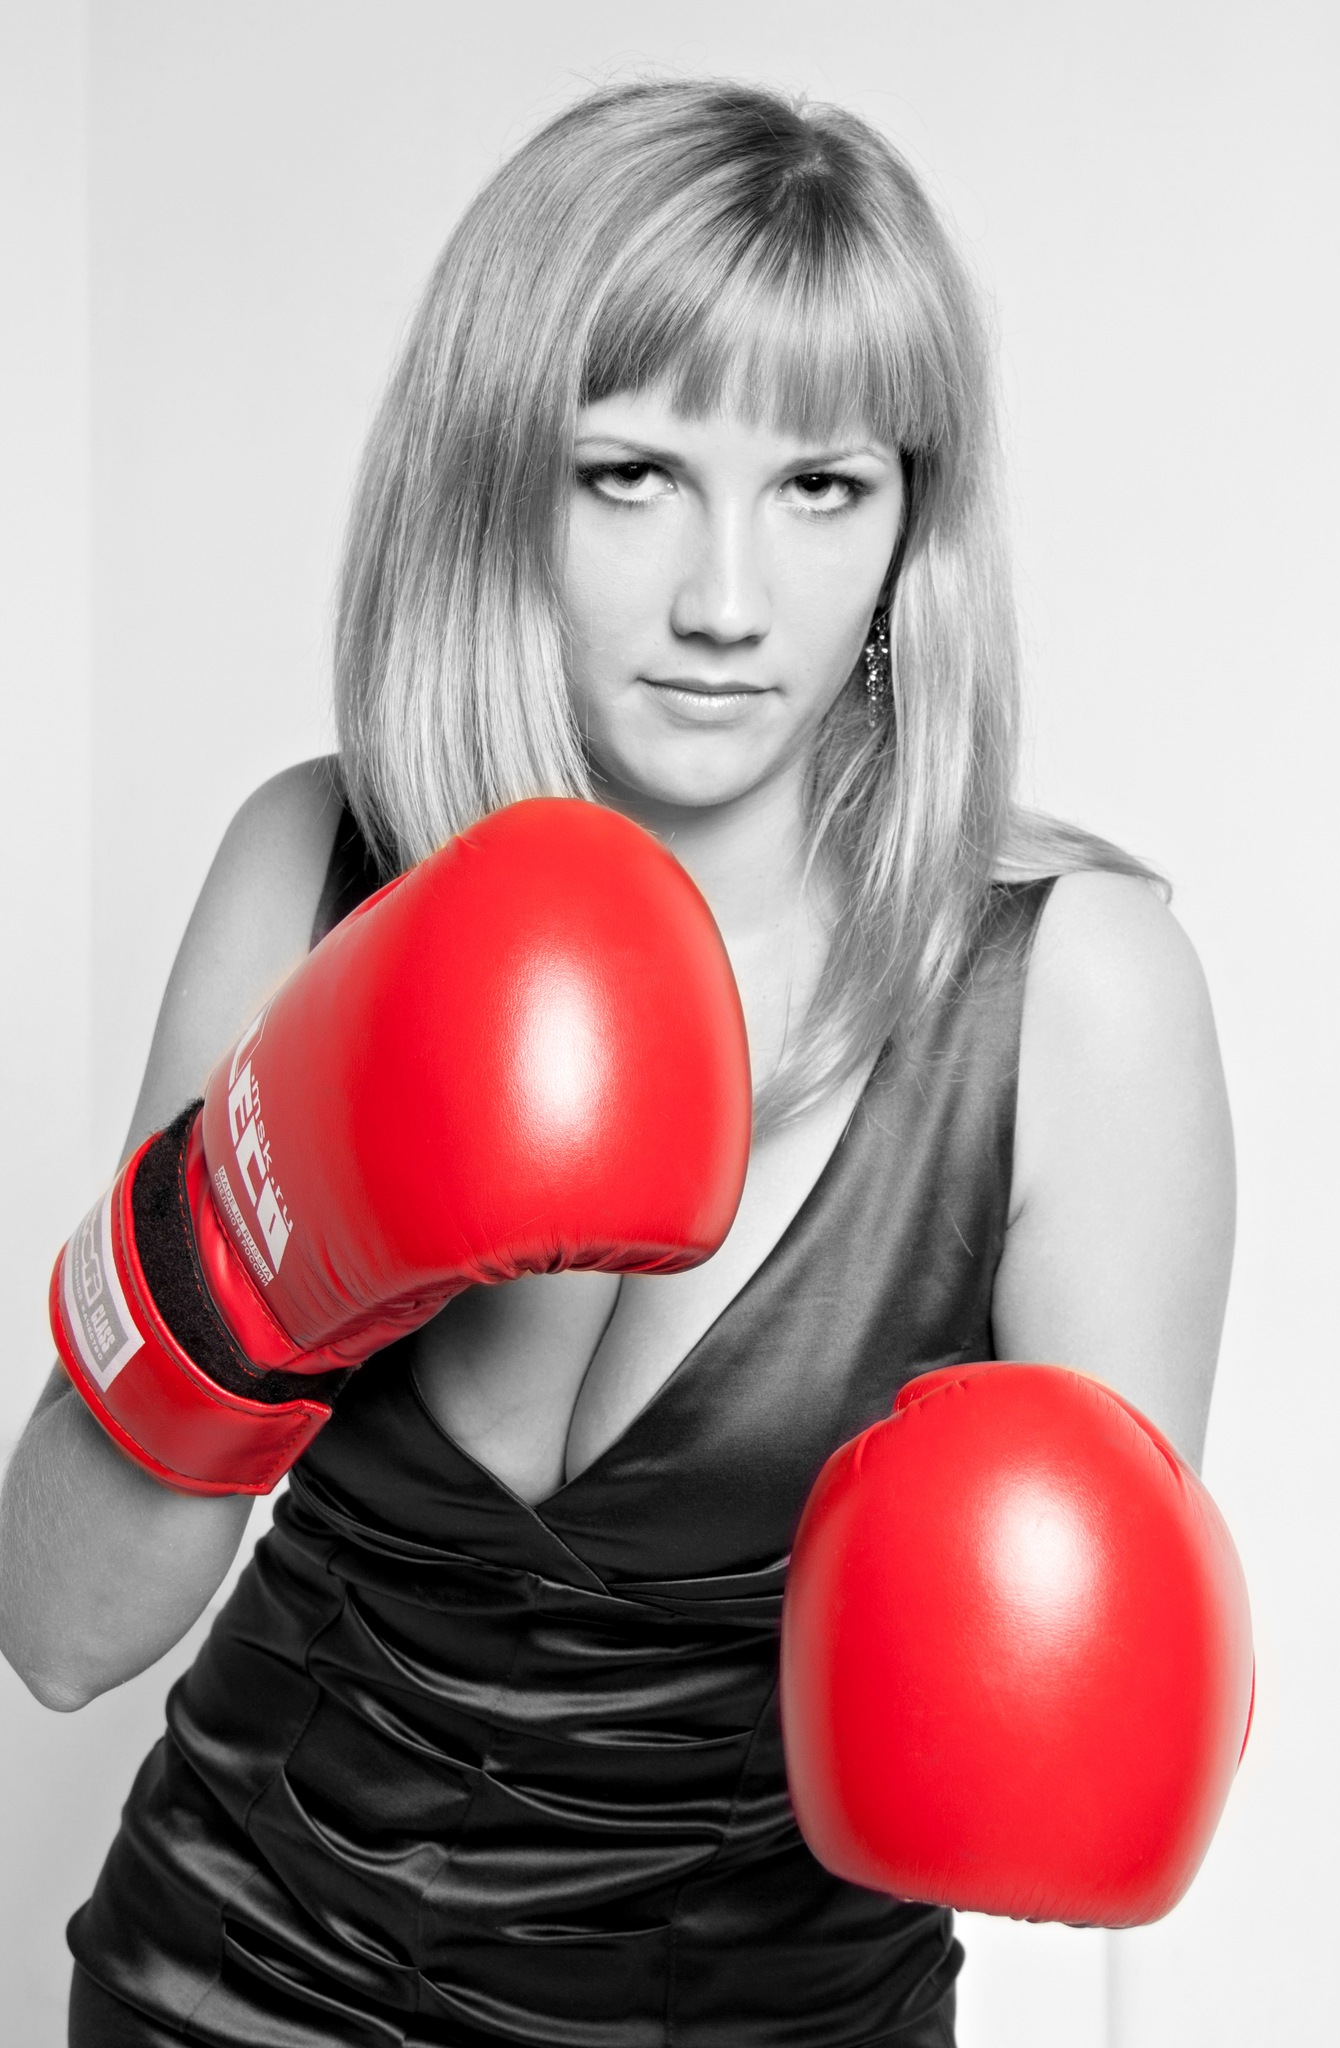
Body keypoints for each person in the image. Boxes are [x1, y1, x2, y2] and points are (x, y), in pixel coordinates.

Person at [0, 77, 1236, 2047]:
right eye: (630, 472)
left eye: (820, 486)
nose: (725, 603)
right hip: (222, 1985)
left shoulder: (1070, 999)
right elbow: (61, 1628)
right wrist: (252, 1266)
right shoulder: (311, 866)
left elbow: (1063, 1747)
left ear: (908, 524)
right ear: (495, 478)